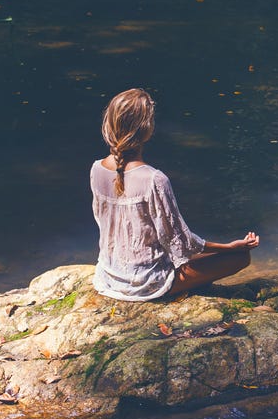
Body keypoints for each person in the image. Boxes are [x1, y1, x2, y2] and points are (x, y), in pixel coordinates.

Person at [90, 88, 259, 301]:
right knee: (240, 258)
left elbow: (103, 222)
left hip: (109, 276)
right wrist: (228, 247)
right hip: (147, 283)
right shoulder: (154, 179)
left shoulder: (96, 169)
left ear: (109, 124)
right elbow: (181, 242)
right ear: (147, 129)